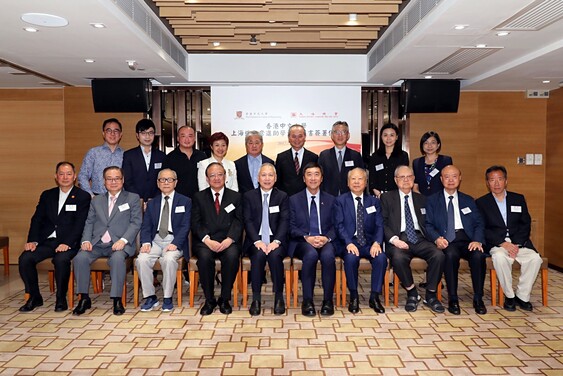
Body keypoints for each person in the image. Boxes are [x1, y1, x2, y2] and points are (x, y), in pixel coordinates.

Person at [19, 162, 91, 312]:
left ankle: (60, 298)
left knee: (61, 259)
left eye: (69, 174)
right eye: (61, 174)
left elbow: (80, 224)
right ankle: (34, 296)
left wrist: (67, 243)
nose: (65, 177)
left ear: (75, 176)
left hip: (70, 243)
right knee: (25, 258)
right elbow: (37, 219)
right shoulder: (47, 195)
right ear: (56, 176)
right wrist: (32, 240)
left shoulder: (82, 196)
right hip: (47, 241)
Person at [72, 166, 142, 316]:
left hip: (119, 243)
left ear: (122, 180)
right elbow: (89, 222)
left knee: (117, 259)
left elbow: (136, 223)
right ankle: (84, 298)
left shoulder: (132, 198)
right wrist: (85, 240)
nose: (113, 182)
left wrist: (123, 240)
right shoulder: (96, 200)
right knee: (80, 258)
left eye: (117, 178)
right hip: (97, 243)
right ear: (104, 182)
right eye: (109, 179)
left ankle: (117, 299)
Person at [476, 166, 542, 311]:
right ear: (487, 183)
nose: (496, 183)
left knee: (535, 259)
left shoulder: (518, 198)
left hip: (520, 244)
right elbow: (482, 228)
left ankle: (522, 296)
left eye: (500, 179)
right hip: (497, 244)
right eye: (492, 180)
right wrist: (503, 243)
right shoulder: (481, 203)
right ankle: (510, 296)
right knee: (499, 258)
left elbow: (525, 223)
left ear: (506, 181)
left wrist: (516, 244)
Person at [380, 166, 445, 313]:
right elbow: (382, 223)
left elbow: (429, 223)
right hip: (399, 238)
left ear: (414, 179)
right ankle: (412, 292)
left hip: (420, 237)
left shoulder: (422, 199)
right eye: (402, 177)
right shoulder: (387, 198)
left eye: (409, 177)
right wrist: (394, 240)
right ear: (396, 180)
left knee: (439, 255)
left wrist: (436, 239)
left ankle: (431, 294)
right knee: (397, 257)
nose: (405, 180)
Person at [425, 165, 487, 315]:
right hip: (447, 240)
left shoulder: (468, 200)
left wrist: (477, 240)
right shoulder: (432, 200)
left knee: (478, 255)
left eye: (454, 176)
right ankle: (453, 298)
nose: (450, 180)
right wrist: (436, 239)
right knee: (450, 255)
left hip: (467, 240)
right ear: (441, 179)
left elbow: (479, 223)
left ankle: (478, 298)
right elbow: (428, 224)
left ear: (460, 178)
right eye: (446, 177)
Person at [191, 162, 243, 315]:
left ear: (225, 176)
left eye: (220, 174)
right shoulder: (199, 197)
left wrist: (230, 239)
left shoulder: (236, 196)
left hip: (228, 240)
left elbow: (239, 221)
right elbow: (195, 222)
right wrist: (207, 240)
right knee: (205, 258)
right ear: (207, 179)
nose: (216, 178)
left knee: (233, 256)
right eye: (212, 175)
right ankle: (209, 299)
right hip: (206, 241)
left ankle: (225, 298)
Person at [333, 168, 387, 314]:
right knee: (350, 258)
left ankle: (374, 297)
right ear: (348, 182)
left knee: (381, 258)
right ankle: (354, 296)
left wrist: (377, 242)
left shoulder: (373, 202)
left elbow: (379, 225)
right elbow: (339, 225)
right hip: (349, 242)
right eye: (353, 179)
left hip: (369, 243)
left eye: (360, 179)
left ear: (366, 182)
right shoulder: (340, 201)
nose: (357, 182)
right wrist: (348, 243)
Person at [136, 169, 191, 312]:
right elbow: (146, 225)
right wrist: (146, 243)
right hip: (155, 241)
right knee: (141, 259)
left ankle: (167, 297)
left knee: (168, 259)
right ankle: (150, 297)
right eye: (162, 180)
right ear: (158, 183)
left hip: (174, 240)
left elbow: (186, 226)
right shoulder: (152, 203)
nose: (166, 182)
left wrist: (175, 243)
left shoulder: (185, 201)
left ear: (176, 182)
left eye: (169, 179)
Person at [289, 162, 337, 316]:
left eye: (317, 174)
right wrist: (307, 237)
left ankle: (328, 301)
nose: (313, 178)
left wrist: (326, 238)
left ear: (322, 178)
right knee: (310, 255)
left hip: (325, 240)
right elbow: (291, 226)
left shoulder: (331, 199)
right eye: (309, 174)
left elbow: (337, 224)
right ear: (304, 178)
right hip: (302, 241)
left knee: (329, 256)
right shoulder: (294, 199)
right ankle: (307, 300)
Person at [242, 163, 289, 316]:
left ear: (275, 178)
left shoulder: (282, 196)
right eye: (264, 175)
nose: (267, 178)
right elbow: (247, 221)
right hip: (256, 241)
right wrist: (257, 241)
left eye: (270, 175)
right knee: (258, 255)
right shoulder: (249, 196)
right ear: (258, 178)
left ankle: (278, 297)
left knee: (275, 257)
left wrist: (276, 242)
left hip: (277, 240)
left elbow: (284, 221)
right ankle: (256, 299)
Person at [122, 119, 166, 202]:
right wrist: (139, 200)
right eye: (143, 133)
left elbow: (164, 179)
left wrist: (154, 199)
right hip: (135, 200)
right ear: (137, 135)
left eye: (150, 133)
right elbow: (127, 181)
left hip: (156, 199)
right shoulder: (129, 155)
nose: (147, 136)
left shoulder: (161, 156)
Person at [78, 118, 124, 196]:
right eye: (109, 131)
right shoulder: (93, 153)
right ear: (103, 133)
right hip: (97, 197)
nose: (112, 134)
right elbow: (83, 176)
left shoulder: (126, 154)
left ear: (120, 135)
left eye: (116, 131)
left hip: (120, 199)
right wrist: (91, 196)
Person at [318, 121, 364, 196]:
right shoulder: (324, 155)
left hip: (350, 197)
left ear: (348, 135)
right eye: (336, 132)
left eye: (343, 132)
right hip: (328, 197)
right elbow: (319, 177)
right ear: (332, 135)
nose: (340, 135)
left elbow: (362, 177)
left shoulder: (355, 156)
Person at [163, 126, 207, 199]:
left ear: (194, 138)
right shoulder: (170, 158)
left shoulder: (202, 156)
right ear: (178, 138)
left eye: (190, 136)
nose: (187, 139)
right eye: (183, 136)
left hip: (199, 200)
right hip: (178, 199)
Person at [275, 124, 318, 196]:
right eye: (294, 136)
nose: (297, 139)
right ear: (289, 138)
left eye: (300, 136)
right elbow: (278, 182)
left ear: (304, 137)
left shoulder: (313, 157)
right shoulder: (281, 157)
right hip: (286, 199)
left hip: (307, 199)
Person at [368, 123, 409, 198]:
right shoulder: (375, 156)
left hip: (396, 196)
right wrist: (378, 194)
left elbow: (404, 177)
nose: (388, 138)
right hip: (378, 196)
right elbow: (372, 178)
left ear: (396, 137)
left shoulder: (403, 156)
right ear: (381, 137)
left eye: (392, 135)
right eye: (385, 135)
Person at [412, 131, 453, 196]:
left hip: (440, 200)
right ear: (422, 145)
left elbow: (449, 183)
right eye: (426, 143)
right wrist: (421, 199)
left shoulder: (445, 160)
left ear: (438, 145)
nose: (429, 146)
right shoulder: (416, 162)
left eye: (433, 143)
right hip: (422, 200)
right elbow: (415, 186)